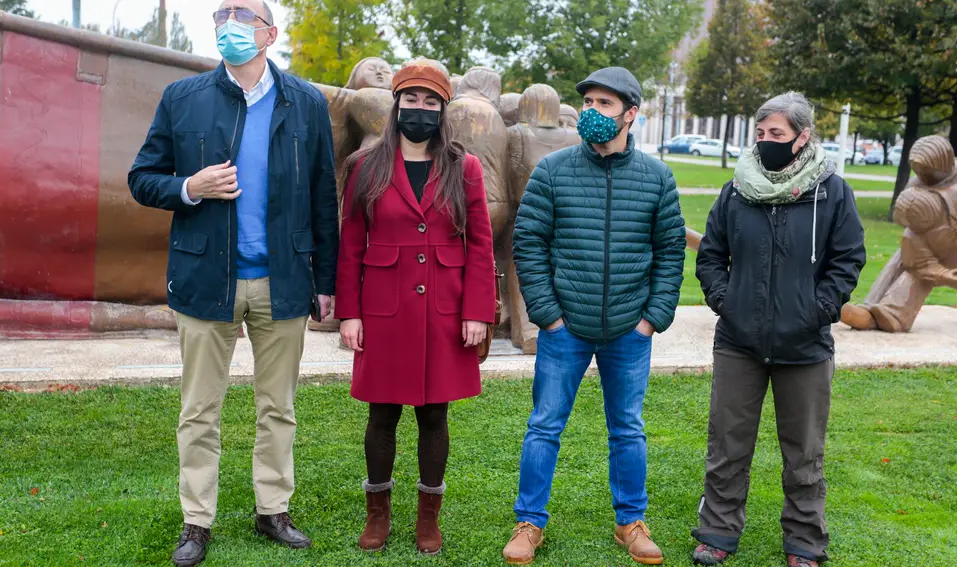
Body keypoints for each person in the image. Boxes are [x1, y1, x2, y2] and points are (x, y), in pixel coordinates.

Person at [127, 1, 338, 565]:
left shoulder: (307, 101)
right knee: (199, 409)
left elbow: (324, 195)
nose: (229, 23)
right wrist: (190, 187)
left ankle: (273, 509)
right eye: (221, 14)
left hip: (284, 279)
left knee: (279, 407)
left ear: (270, 32)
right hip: (204, 278)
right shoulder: (183, 99)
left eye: (241, 13)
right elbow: (142, 179)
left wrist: (328, 281)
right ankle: (197, 521)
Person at [503, 67, 686, 566]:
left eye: (604, 105)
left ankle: (630, 521)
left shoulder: (657, 177)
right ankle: (529, 522)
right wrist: (548, 315)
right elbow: (529, 243)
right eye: (587, 103)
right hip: (565, 329)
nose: (591, 112)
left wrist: (653, 318)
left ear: (631, 114)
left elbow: (671, 251)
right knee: (544, 425)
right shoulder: (553, 170)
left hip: (630, 329)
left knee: (627, 428)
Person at [692, 92, 866, 567]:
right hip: (738, 343)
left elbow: (847, 260)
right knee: (727, 445)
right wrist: (727, 302)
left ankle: (805, 541)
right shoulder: (736, 190)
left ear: (802, 137)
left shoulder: (832, 192)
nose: (766, 141)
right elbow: (711, 256)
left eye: (778, 134)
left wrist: (820, 308)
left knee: (804, 452)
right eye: (761, 133)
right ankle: (717, 533)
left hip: (805, 345)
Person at [334, 62, 496, 555]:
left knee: (433, 415)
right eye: (412, 100)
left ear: (442, 110)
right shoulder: (367, 166)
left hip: (444, 311)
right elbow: (351, 245)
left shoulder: (463, 166)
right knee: (381, 416)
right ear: (396, 105)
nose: (420, 110)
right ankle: (377, 515)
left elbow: (481, 245)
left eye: (431, 103)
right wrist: (350, 312)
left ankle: (429, 518)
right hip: (384, 310)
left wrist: (477, 312)